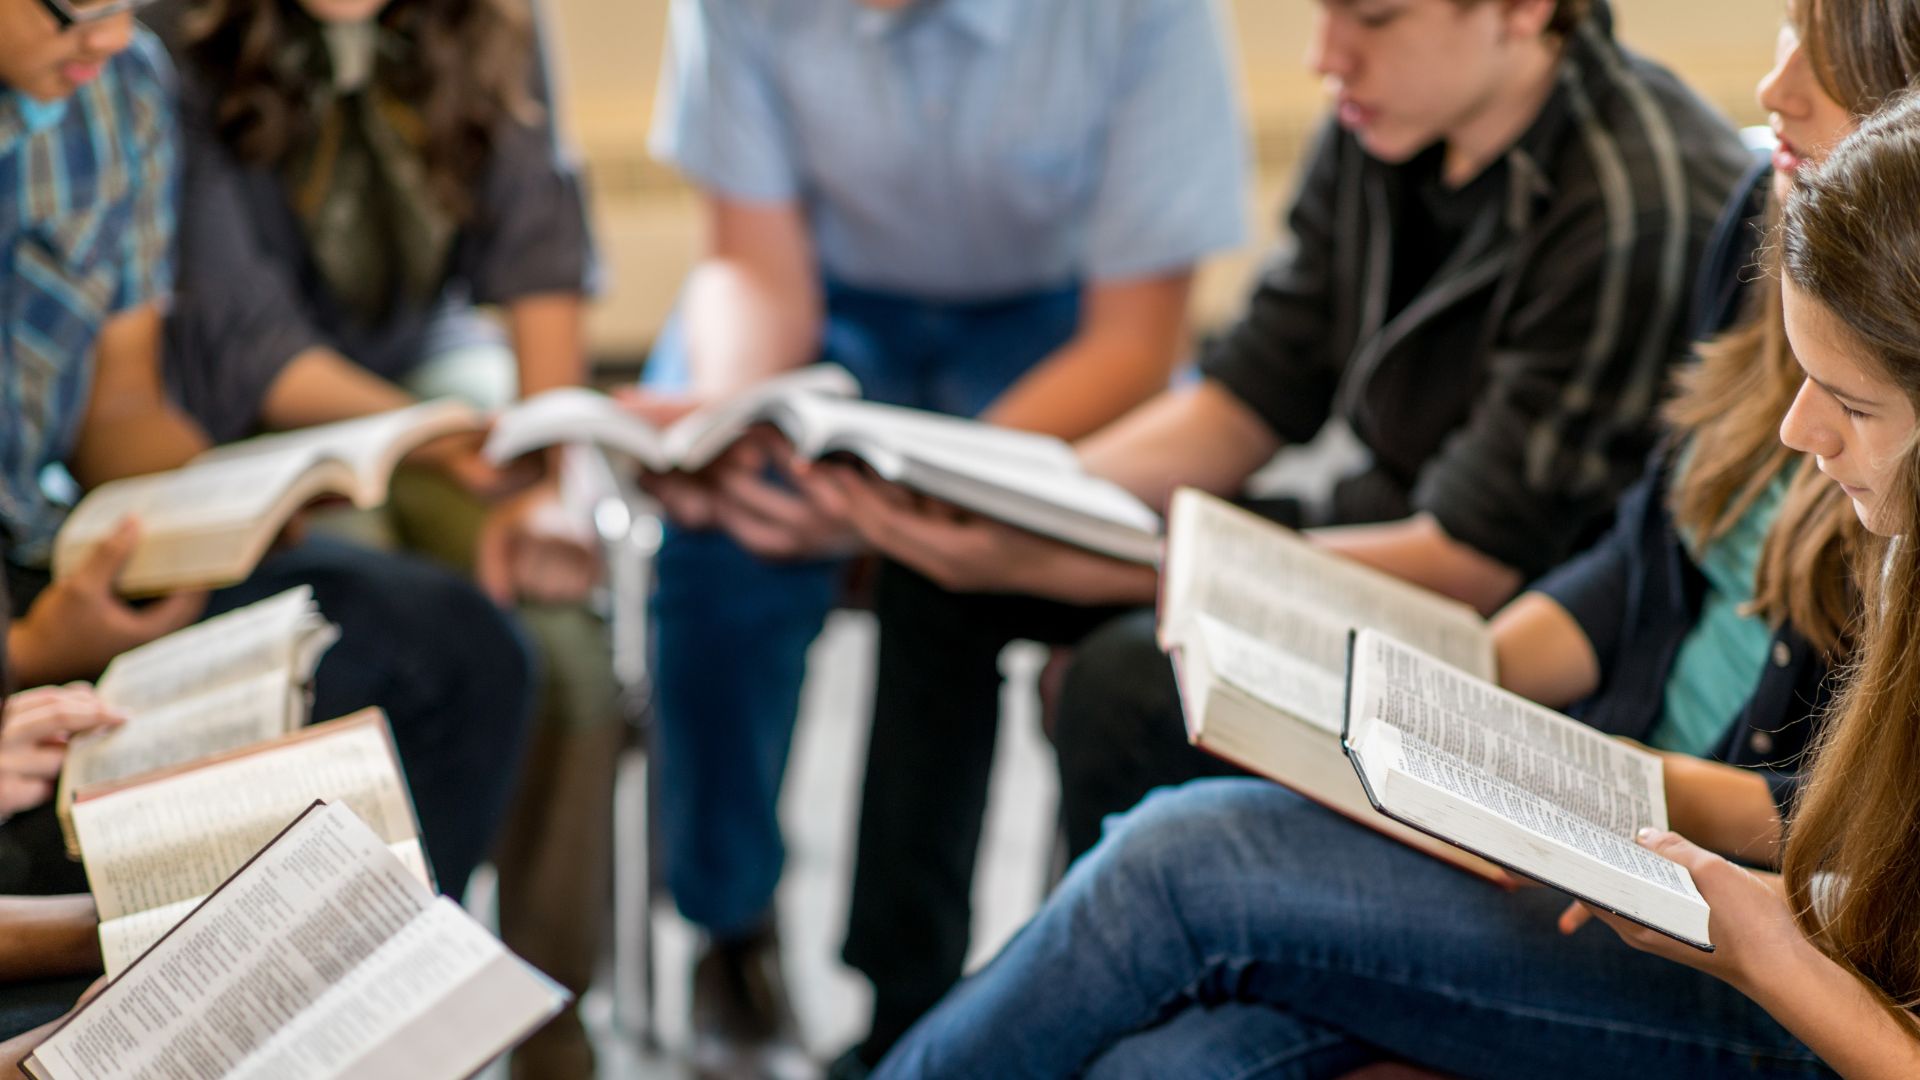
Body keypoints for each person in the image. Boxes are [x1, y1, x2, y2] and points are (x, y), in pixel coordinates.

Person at [869, 4, 1920, 1075]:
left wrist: (1608, 782)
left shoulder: (1652, 210)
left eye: (1821, 59)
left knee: (1177, 860)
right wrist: (1459, 705)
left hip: (1749, 920)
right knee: (1169, 1058)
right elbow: (1642, 553)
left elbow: (1842, 838)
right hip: (1658, 825)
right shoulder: (1770, 215)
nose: (1772, 87)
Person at [638, 1, 1249, 1073]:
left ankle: (1085, 966)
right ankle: (734, 926)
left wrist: (924, 484)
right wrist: (743, 427)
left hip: (1060, 326)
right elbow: (757, 266)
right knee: (719, 553)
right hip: (832, 305)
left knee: (1011, 562)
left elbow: (1137, 341)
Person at [149, 1, 608, 1072]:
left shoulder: (496, 23)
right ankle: (366, 1019)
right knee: (384, 636)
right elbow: (250, 339)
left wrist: (548, 488)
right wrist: (434, 444)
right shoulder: (167, 40)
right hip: (253, 412)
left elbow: (541, 265)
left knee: (569, 655)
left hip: (431, 377)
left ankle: (545, 1015)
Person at [0, 0, 530, 914]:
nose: (116, 35)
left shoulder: (118, 90)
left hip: (45, 544)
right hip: (28, 626)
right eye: (80, 11)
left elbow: (121, 405)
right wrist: (27, 652)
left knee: (460, 654)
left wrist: (228, 508)